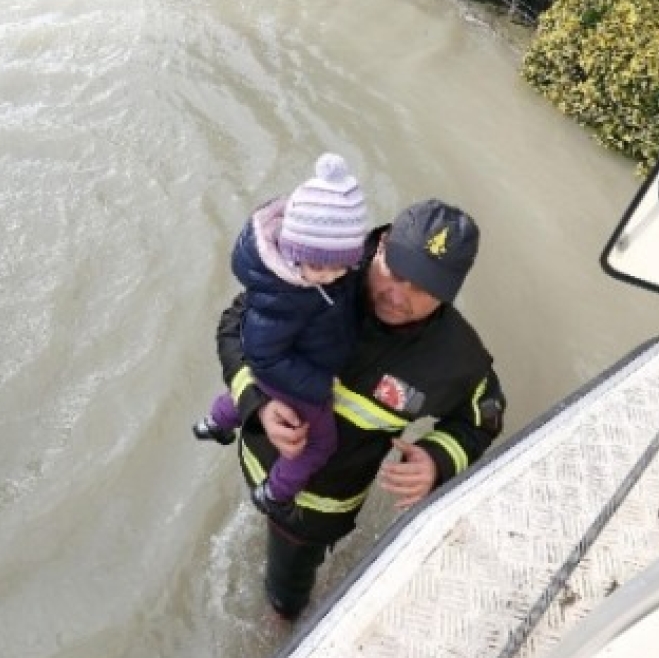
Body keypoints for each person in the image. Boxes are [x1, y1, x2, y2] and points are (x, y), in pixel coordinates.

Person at [215, 198, 506, 620]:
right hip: (255, 453)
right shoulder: (315, 276)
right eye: (396, 273)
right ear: (382, 244)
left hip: (314, 511)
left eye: (423, 290)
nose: (398, 297)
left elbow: (483, 418)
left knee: (285, 596)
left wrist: (438, 460)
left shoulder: (457, 359)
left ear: (451, 293)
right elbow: (234, 324)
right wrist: (255, 402)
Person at [194, 152, 369, 517]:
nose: (331, 277)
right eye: (320, 267)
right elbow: (262, 356)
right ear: (292, 254)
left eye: (341, 267)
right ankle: (275, 492)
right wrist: (318, 386)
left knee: (239, 396)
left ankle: (215, 422)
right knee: (319, 444)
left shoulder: (305, 280)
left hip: (282, 369)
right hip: (296, 376)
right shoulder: (284, 298)